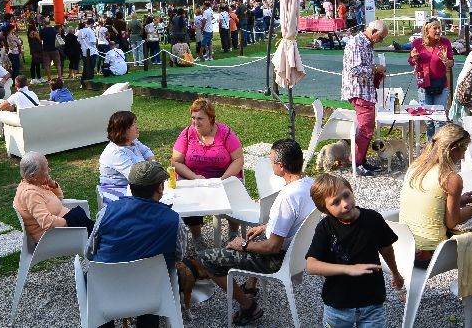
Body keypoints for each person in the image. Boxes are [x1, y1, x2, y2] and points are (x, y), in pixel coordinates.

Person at [199, 139, 316, 325]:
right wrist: (265, 227)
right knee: (258, 233)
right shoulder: (312, 185)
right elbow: (294, 222)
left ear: (281, 166)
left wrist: (243, 245)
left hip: (279, 260)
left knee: (207, 258)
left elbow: (272, 247)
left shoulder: (287, 197)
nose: (271, 165)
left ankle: (248, 306)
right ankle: (251, 285)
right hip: (302, 254)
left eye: (271, 162)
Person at [399, 124, 472, 306]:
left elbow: (433, 201)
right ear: (453, 149)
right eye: (463, 151)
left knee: (471, 225)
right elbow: (452, 222)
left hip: (403, 248)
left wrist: (459, 200)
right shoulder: (450, 177)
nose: (463, 156)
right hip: (429, 255)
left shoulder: (416, 166)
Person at [86, 161, 188, 328]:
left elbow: (90, 253)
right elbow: (179, 256)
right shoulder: (174, 221)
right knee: (158, 279)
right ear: (160, 188)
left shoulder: (106, 212)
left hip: (107, 291)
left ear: (131, 187)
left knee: (91, 281)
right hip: (151, 294)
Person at [308, 173, 403, 327]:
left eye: (346, 195)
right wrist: (348, 269)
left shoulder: (373, 219)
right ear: (325, 209)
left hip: (372, 303)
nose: (345, 204)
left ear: (351, 191)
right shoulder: (325, 228)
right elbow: (311, 265)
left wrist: (395, 272)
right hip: (337, 306)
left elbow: (386, 249)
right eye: (335, 202)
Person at [170, 98, 244, 246]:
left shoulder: (226, 133)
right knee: (188, 197)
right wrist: (195, 177)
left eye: (200, 118)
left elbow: (238, 160)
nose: (195, 122)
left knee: (234, 190)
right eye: (193, 118)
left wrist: (222, 179)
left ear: (211, 118)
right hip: (195, 177)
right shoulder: (187, 134)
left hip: (224, 176)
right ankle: (197, 238)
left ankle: (233, 233)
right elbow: (175, 161)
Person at [341, 20, 389, 177]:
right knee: (365, 130)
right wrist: (375, 69)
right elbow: (355, 70)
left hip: (365, 91)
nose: (381, 41)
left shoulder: (366, 43)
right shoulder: (357, 43)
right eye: (381, 37)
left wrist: (376, 72)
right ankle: (355, 162)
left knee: (367, 129)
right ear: (373, 31)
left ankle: (361, 160)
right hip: (359, 91)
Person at [13, 151, 94, 243]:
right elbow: (46, 222)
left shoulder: (38, 184)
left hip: (61, 228)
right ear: (33, 176)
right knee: (84, 220)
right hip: (50, 237)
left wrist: (51, 183)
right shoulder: (30, 194)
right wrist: (70, 220)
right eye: (46, 169)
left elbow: (59, 198)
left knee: (96, 228)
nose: (49, 170)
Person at [408, 19, 454, 140]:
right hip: (424, 86)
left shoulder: (445, 42)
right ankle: (430, 148)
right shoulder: (417, 43)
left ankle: (439, 149)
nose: (438, 31)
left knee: (439, 120)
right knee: (428, 120)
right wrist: (414, 58)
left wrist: (445, 60)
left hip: (441, 85)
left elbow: (451, 63)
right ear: (427, 30)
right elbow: (411, 61)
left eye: (439, 28)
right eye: (435, 28)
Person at [99, 111, 155, 195]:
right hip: (118, 191)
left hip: (137, 184)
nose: (137, 127)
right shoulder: (116, 153)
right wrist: (155, 173)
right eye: (133, 125)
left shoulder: (132, 141)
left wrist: (154, 167)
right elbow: (135, 177)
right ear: (123, 131)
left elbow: (147, 152)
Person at [78, 18, 97, 84]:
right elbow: (94, 42)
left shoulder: (80, 31)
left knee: (85, 67)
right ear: (92, 24)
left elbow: (79, 41)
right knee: (91, 68)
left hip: (84, 51)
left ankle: (83, 81)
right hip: (92, 51)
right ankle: (90, 82)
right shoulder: (90, 31)